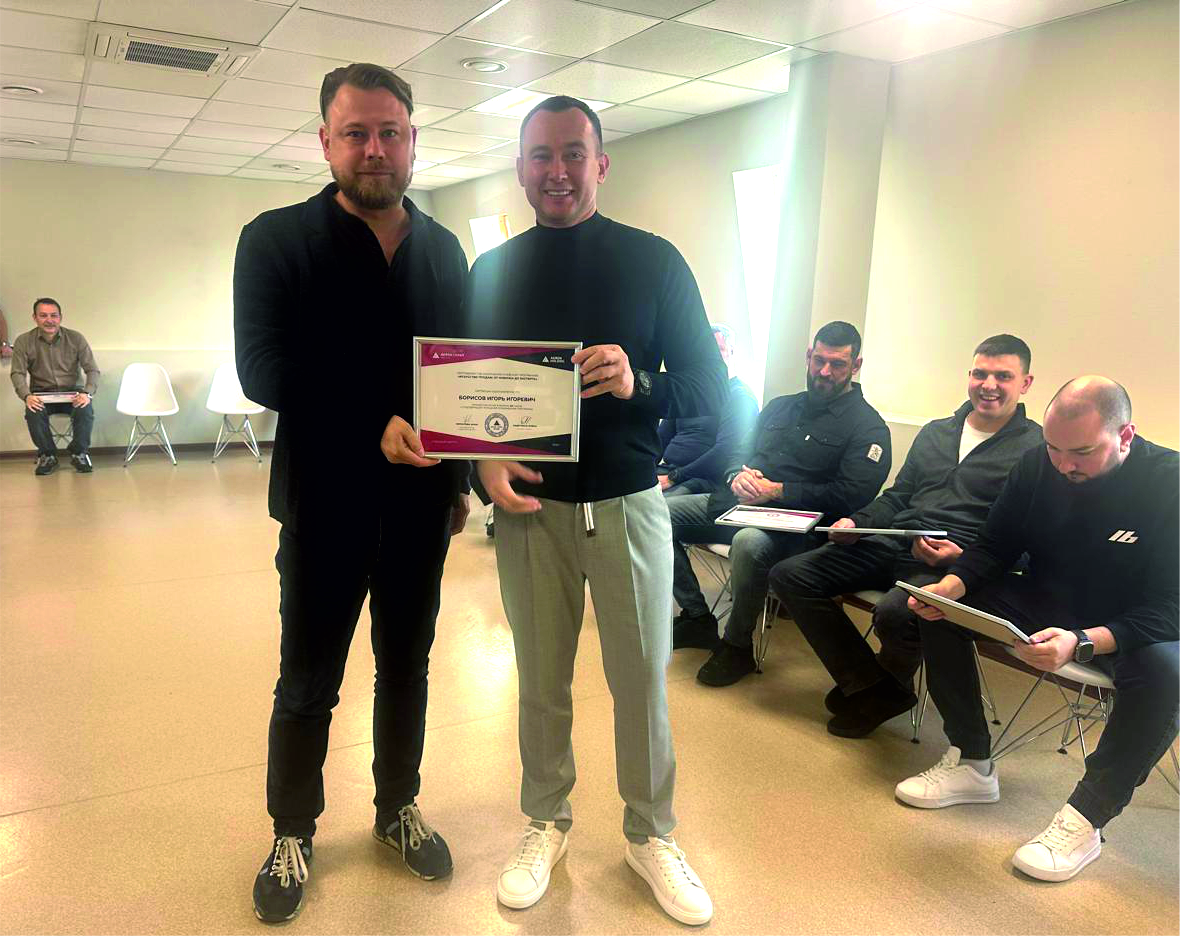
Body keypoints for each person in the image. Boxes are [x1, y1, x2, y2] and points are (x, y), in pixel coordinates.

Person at [462, 95, 727, 926]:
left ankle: (651, 834)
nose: (557, 171)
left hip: (628, 506)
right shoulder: (491, 271)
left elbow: (710, 391)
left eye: (573, 153)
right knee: (541, 682)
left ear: (601, 163)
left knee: (641, 684)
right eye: (541, 155)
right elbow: (464, 395)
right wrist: (481, 466)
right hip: (529, 511)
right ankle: (545, 822)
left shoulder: (654, 261)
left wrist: (638, 380)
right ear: (520, 168)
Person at [233, 63, 469, 924]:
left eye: (390, 132)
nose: (375, 149)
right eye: (356, 133)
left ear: (413, 139)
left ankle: (397, 807)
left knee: (407, 671)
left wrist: (468, 475)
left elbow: (462, 375)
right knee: (308, 683)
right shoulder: (276, 240)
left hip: (420, 511)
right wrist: (373, 420)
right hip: (324, 508)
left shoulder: (443, 249)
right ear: (325, 142)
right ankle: (292, 830)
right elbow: (264, 369)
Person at [900, 376, 1178, 883]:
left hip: (1134, 623)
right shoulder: (1036, 464)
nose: (1064, 464)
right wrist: (952, 586)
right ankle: (972, 763)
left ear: (1126, 436)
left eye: (1082, 452)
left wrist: (1085, 641)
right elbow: (995, 545)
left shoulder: (1169, 482)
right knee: (942, 607)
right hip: (1053, 597)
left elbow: (1173, 606)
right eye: (1054, 448)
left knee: (1167, 673)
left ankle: (1086, 819)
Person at [770, 335, 1042, 737]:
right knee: (789, 575)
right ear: (969, 375)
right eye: (980, 373)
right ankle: (874, 686)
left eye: (1003, 376)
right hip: (894, 540)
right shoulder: (935, 432)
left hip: (951, 565)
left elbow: (1029, 539)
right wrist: (857, 522)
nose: (989, 385)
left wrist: (961, 557)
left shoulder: (1036, 451)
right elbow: (898, 496)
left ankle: (883, 687)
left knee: (897, 613)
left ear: (1025, 383)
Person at [668, 321, 892, 688]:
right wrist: (735, 475)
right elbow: (739, 450)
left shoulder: (868, 427)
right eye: (819, 360)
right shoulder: (779, 407)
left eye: (837, 364)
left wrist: (779, 491)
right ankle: (696, 616)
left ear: (856, 365)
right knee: (657, 515)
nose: (825, 371)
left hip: (796, 528)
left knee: (749, 542)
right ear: (808, 356)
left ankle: (737, 646)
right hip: (735, 503)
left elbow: (852, 495)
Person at [657, 322, 759, 496]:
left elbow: (724, 453)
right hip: (667, 471)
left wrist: (673, 477)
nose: (710, 357)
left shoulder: (740, 397)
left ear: (731, 351)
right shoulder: (689, 393)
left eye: (718, 350)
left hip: (701, 480)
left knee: (651, 507)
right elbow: (660, 439)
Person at [9, 297, 99, 475]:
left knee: (85, 409)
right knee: (33, 412)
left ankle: (79, 453)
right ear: (34, 317)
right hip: (41, 394)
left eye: (54, 315)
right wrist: (27, 396)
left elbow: (92, 370)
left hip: (73, 393)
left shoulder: (76, 338)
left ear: (60, 317)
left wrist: (87, 393)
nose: (49, 320)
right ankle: (48, 455)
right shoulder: (23, 341)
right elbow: (17, 373)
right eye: (43, 315)